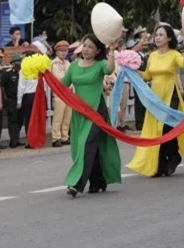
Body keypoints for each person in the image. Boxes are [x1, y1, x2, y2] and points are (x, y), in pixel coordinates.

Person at [128, 23, 184, 178]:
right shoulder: (152, 56)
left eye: (161, 35)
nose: (157, 37)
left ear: (169, 37)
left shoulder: (173, 54)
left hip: (172, 94)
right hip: (156, 97)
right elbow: (148, 76)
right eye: (156, 35)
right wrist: (132, 70)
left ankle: (174, 155)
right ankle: (162, 164)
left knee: (166, 127)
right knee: (157, 130)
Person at [60, 33, 121, 196]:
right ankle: (98, 180)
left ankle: (76, 183)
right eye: (85, 45)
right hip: (79, 112)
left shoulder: (100, 63)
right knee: (86, 146)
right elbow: (63, 84)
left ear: (97, 51)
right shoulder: (73, 66)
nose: (86, 49)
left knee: (86, 144)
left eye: (91, 47)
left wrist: (112, 51)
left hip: (96, 111)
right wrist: (43, 74)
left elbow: (109, 69)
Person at [16, 39, 50, 149]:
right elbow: (45, 83)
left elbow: (21, 86)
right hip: (40, 95)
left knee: (29, 119)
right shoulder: (41, 68)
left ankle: (31, 141)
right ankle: (39, 139)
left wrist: (19, 101)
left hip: (29, 96)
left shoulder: (24, 69)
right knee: (40, 118)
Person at [50, 41, 72, 147]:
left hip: (69, 92)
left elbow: (72, 76)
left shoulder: (68, 63)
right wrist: (70, 83)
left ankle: (65, 136)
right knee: (58, 116)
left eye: (65, 51)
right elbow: (60, 79)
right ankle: (56, 138)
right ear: (57, 52)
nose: (64, 53)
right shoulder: (54, 63)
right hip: (59, 92)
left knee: (67, 115)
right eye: (61, 51)